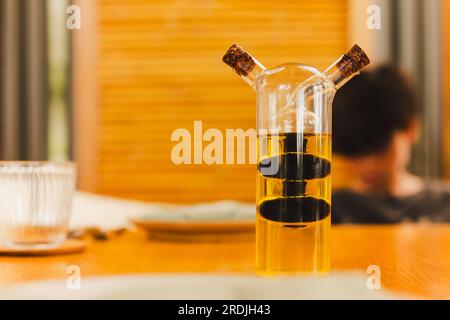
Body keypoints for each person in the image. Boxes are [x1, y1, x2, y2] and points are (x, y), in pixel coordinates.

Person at [331, 65, 450, 223]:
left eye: (378, 148)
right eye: (354, 151)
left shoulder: (444, 204)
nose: (368, 164)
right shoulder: (330, 211)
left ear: (410, 129)